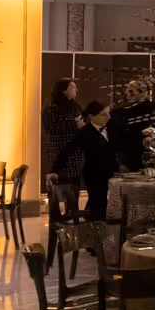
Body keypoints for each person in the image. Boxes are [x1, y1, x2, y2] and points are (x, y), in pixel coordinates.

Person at [54, 101, 120, 221]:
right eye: (103, 115)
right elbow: (67, 151)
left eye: (108, 114)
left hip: (114, 172)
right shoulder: (84, 133)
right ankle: (95, 229)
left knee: (115, 203)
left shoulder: (112, 127)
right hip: (95, 174)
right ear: (92, 117)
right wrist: (55, 170)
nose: (108, 117)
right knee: (97, 203)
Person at [43, 79, 83, 219]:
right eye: (72, 87)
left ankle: (73, 215)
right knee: (60, 187)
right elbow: (51, 129)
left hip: (76, 154)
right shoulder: (51, 108)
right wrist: (73, 125)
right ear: (63, 90)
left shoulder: (76, 106)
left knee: (74, 189)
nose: (76, 90)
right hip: (59, 152)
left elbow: (83, 122)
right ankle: (58, 219)